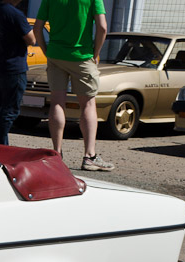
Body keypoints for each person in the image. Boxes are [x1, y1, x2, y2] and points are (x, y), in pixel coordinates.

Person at [35, 0, 114, 171]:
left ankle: (57, 154)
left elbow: (37, 27)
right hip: (82, 56)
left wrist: (46, 51)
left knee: (57, 102)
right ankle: (89, 156)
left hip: (56, 54)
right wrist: (96, 53)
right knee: (88, 104)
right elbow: (102, 27)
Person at [0, 0, 34, 144]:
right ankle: (0, 145)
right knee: (9, 110)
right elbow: (31, 39)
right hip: (14, 67)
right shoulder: (16, 14)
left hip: (1, 65)